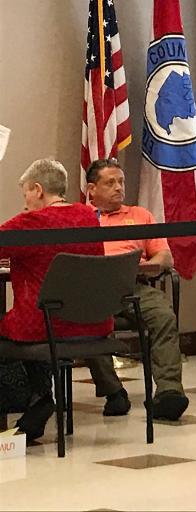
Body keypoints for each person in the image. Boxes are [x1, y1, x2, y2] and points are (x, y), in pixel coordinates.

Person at [0, 159, 107, 440]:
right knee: (35, 323)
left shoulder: (29, 222)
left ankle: (40, 397)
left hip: (43, 324)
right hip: (92, 322)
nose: (25, 201)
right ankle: (39, 398)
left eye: (25, 194)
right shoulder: (88, 216)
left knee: (11, 328)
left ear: (37, 190)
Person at [84, 160, 189, 422]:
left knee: (163, 316)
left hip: (134, 283)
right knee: (87, 322)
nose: (119, 188)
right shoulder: (80, 217)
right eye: (110, 183)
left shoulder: (140, 214)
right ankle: (114, 392)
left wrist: (141, 266)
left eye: (121, 181)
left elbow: (165, 258)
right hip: (94, 287)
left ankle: (169, 392)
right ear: (91, 189)